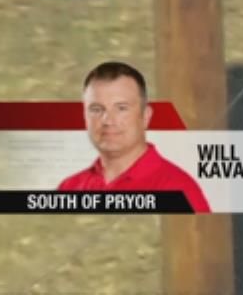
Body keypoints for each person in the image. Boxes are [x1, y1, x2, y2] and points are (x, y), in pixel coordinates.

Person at [58, 61, 211, 213]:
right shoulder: (70, 187)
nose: (108, 120)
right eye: (96, 109)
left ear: (145, 116)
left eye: (121, 108)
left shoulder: (178, 191)